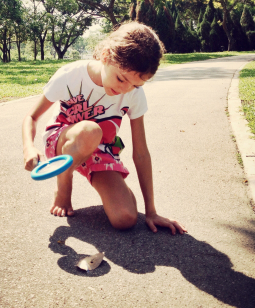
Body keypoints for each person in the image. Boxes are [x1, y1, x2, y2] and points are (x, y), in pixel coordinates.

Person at [22, 22, 187, 235]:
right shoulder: (71, 75)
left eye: (135, 85)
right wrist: (28, 147)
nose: (124, 89)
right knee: (90, 131)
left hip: (101, 150)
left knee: (125, 219)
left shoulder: (133, 95)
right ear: (105, 55)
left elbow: (141, 152)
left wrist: (151, 211)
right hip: (63, 141)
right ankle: (63, 188)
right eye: (121, 78)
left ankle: (117, 195)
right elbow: (31, 117)